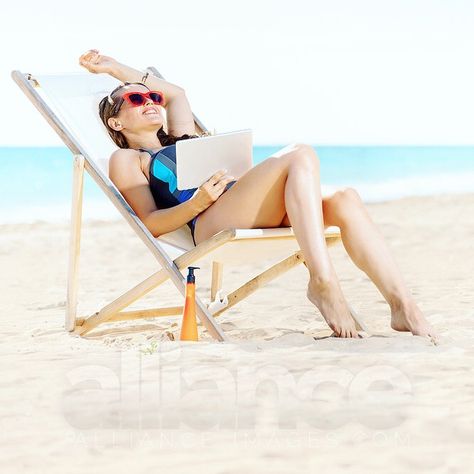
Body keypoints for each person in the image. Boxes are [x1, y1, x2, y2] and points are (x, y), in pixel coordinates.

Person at [79, 49, 436, 340]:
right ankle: (323, 282)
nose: (151, 101)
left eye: (152, 96)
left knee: (345, 197)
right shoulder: (127, 159)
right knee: (299, 152)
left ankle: (403, 307)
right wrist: (198, 202)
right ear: (116, 123)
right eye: (137, 99)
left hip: (239, 205)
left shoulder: (182, 138)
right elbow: (152, 225)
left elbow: (178, 94)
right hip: (206, 221)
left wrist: (114, 69)